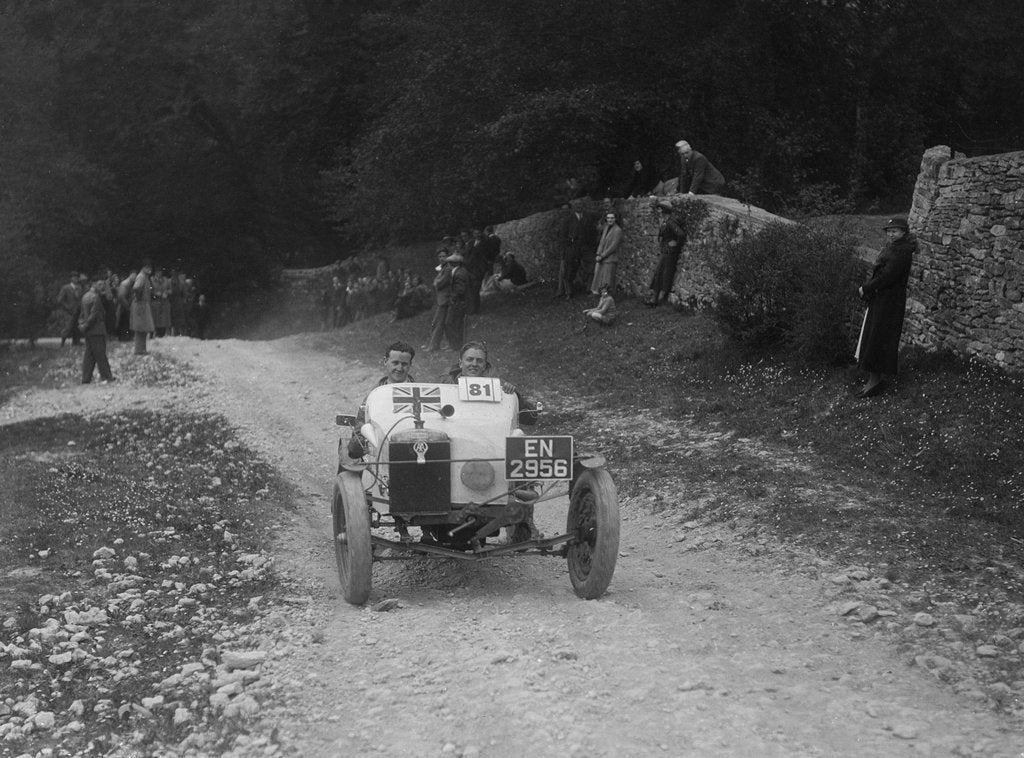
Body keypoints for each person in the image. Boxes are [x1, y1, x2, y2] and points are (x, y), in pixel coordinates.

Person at [440, 341, 540, 541]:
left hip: (489, 444)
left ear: (485, 365)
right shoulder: (445, 386)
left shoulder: (497, 386)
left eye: (479, 361)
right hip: (456, 443)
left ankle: (525, 520)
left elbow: (529, 415)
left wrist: (513, 393)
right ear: (460, 363)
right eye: (469, 359)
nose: (474, 364)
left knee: (519, 441)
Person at [855, 217, 916, 398]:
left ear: (903, 232)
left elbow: (887, 276)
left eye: (894, 231)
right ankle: (873, 379)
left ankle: (875, 381)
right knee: (873, 336)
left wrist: (866, 288)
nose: (890, 234)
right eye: (889, 231)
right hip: (881, 298)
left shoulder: (903, 251)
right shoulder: (894, 248)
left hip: (890, 301)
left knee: (879, 337)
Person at [347, 341, 417, 458]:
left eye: (404, 364)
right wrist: (361, 442)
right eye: (395, 363)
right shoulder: (373, 396)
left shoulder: (420, 394)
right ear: (385, 361)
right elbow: (360, 429)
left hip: (415, 450)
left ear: (410, 365)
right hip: (382, 453)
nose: (399, 368)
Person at [645, 199, 687, 306]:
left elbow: (681, 234)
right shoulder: (665, 221)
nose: (658, 211)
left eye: (660, 209)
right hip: (665, 250)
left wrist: (676, 243)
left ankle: (658, 298)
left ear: (664, 210)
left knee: (663, 272)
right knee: (659, 272)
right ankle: (655, 298)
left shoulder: (670, 222)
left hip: (669, 252)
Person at [78, 275, 115, 384]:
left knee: (89, 355)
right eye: (99, 284)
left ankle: (86, 378)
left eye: (103, 284)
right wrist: (86, 325)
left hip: (89, 331)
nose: (102, 286)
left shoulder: (85, 296)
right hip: (97, 329)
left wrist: (82, 325)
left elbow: (82, 314)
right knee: (100, 354)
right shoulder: (96, 298)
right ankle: (107, 376)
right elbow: (94, 315)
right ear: (93, 284)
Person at [556, 205, 593, 299]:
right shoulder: (568, 219)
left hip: (584, 247)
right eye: (577, 205)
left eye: (581, 205)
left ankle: (589, 289)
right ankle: (569, 292)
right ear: (574, 208)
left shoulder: (587, 216)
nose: (579, 207)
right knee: (569, 270)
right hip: (572, 248)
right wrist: (569, 242)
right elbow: (562, 236)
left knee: (593, 264)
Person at [589, 211, 623, 295]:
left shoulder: (618, 230)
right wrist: (598, 254)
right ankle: (599, 295)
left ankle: (608, 296)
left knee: (608, 279)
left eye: (612, 218)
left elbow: (613, 246)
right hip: (601, 257)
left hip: (610, 258)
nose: (610, 220)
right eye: (608, 218)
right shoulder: (606, 227)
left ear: (615, 219)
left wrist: (602, 255)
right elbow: (602, 242)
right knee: (599, 278)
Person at [444, 252, 471, 351]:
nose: (448, 264)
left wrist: (452, 298)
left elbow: (460, 290)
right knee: (455, 324)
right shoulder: (460, 271)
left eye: (450, 262)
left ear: (454, 263)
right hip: (459, 302)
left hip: (458, 303)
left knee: (450, 323)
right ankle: (455, 344)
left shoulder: (459, 273)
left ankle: (455, 345)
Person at [130, 261, 155, 355]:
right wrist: (139, 298)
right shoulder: (141, 277)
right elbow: (136, 288)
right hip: (140, 304)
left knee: (144, 328)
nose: (149, 269)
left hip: (143, 304)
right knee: (140, 328)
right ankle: (139, 350)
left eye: (150, 267)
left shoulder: (145, 277)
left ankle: (142, 349)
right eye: (147, 267)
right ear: (143, 268)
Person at [56, 273, 83, 347]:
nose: (76, 279)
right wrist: (67, 308)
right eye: (74, 277)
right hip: (68, 311)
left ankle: (76, 342)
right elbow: (60, 300)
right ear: (71, 278)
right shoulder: (66, 288)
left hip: (78, 310)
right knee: (68, 327)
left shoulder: (79, 288)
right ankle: (62, 343)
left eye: (77, 277)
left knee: (77, 326)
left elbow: (80, 298)